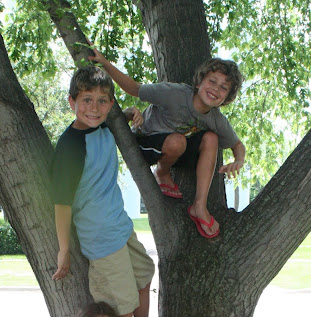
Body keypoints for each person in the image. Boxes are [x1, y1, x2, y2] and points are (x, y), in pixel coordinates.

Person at [89, 46, 246, 239]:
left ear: (226, 98)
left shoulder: (215, 119)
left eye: (223, 88)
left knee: (211, 138)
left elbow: (237, 145)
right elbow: (134, 89)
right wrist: (105, 63)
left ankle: (199, 206)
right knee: (178, 141)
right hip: (146, 142)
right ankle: (162, 172)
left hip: (175, 148)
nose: (216, 89)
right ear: (199, 83)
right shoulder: (175, 93)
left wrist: (239, 160)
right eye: (212, 81)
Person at [50, 65, 155, 317]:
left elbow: (111, 118)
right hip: (100, 236)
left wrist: (128, 114)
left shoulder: (104, 125)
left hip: (119, 225)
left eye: (102, 101)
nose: (94, 108)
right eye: (86, 100)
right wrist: (64, 249)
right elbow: (62, 203)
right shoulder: (70, 147)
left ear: (110, 104)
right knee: (122, 305)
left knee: (145, 274)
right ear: (72, 102)